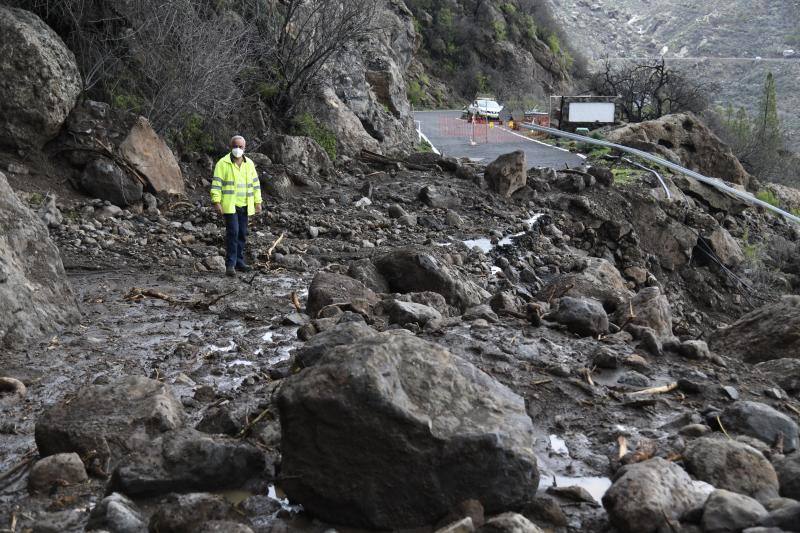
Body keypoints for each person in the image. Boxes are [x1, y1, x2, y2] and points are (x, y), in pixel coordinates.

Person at [210, 135, 263, 276]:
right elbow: (216, 184)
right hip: (229, 205)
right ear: (230, 147)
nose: (237, 149)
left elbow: (255, 185)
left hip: (245, 205)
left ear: (245, 148)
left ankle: (239, 261)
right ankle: (230, 265)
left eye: (240, 147)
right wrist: (216, 202)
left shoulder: (249, 164)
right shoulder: (222, 163)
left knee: (242, 234)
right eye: (235, 146)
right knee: (232, 233)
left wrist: (258, 202)